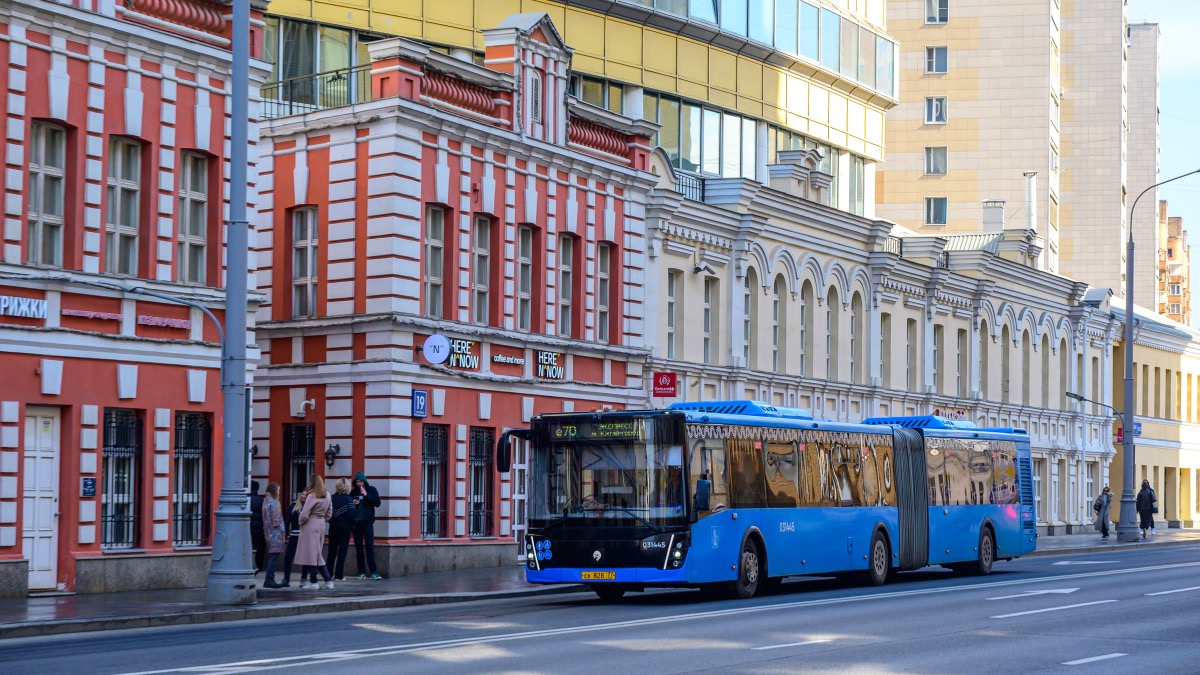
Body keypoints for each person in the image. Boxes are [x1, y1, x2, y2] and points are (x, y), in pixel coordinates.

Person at [295, 474, 334, 589]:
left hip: (310, 524)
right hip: (321, 524)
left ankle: (315, 581)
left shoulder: (312, 495)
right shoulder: (327, 495)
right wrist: (323, 519)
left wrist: (300, 521)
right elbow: (329, 513)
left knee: (311, 553)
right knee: (316, 552)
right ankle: (324, 580)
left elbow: (305, 513)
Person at [352, 472, 382, 580]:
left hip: (368, 522)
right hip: (357, 523)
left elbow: (377, 503)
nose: (359, 483)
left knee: (369, 547)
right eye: (357, 481)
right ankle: (361, 571)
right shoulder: (353, 492)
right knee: (359, 548)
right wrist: (353, 502)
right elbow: (350, 505)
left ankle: (373, 571)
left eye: (361, 481)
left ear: (364, 482)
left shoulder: (371, 490)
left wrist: (366, 495)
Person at [328, 478, 356, 581]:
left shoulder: (331, 498)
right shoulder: (349, 499)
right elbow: (352, 515)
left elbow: (328, 512)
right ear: (347, 487)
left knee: (332, 551)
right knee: (342, 551)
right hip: (345, 528)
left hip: (333, 527)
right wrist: (352, 525)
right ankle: (339, 576)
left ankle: (328, 574)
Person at [261, 483, 287, 588]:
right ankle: (269, 580)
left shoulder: (265, 501)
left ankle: (269, 579)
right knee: (274, 557)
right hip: (276, 534)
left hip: (268, 533)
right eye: (278, 490)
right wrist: (283, 530)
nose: (279, 492)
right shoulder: (274, 502)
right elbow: (277, 521)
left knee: (272, 556)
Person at [279, 496, 303, 587]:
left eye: (306, 495)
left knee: (306, 559)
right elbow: (287, 519)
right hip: (294, 534)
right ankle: (286, 579)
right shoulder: (294, 505)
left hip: (305, 536)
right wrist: (284, 532)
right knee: (288, 557)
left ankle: (303, 579)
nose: (303, 496)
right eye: (303, 494)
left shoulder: (310, 505)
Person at [249, 480, 265, 573]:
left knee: (249, 548)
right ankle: (259, 566)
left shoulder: (247, 499)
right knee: (259, 549)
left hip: (250, 528)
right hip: (259, 529)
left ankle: (251, 566)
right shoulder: (261, 500)